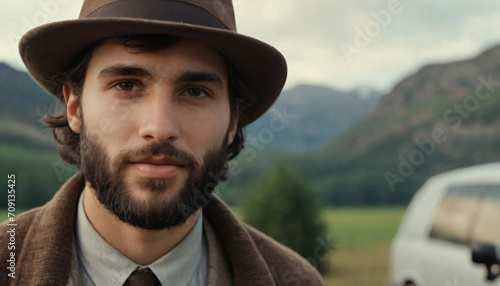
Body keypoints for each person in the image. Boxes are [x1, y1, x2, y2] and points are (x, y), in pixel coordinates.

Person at [0, 0, 323, 285]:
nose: (159, 128)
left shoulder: (295, 280)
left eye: (195, 91)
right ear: (74, 107)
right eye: (126, 85)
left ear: (233, 120)